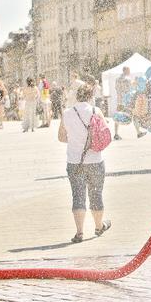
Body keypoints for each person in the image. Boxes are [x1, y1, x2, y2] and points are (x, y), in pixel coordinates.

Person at [58, 84, 112, 243]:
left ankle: (79, 232)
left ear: (76, 96)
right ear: (90, 97)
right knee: (96, 194)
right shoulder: (96, 111)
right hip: (95, 160)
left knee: (78, 195)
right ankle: (98, 226)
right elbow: (105, 135)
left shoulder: (67, 113)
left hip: (75, 162)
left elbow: (61, 137)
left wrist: (75, 141)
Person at [114, 67, 131, 141]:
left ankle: (116, 133)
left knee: (117, 116)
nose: (129, 72)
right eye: (129, 70)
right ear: (125, 70)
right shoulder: (128, 79)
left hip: (119, 101)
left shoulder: (117, 79)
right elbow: (130, 90)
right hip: (126, 101)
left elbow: (116, 88)